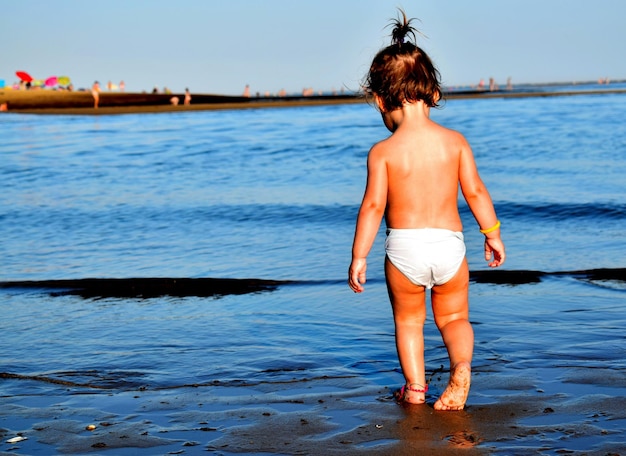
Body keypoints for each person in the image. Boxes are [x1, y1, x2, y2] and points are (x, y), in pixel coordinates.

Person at [348, 11, 505, 411]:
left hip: (404, 249)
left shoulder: (383, 152)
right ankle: (462, 366)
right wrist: (492, 233)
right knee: (454, 318)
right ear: (434, 94)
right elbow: (475, 190)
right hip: (449, 246)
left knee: (409, 322)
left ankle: (416, 389)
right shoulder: (455, 142)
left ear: (380, 100)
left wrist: (359, 256)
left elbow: (372, 206)